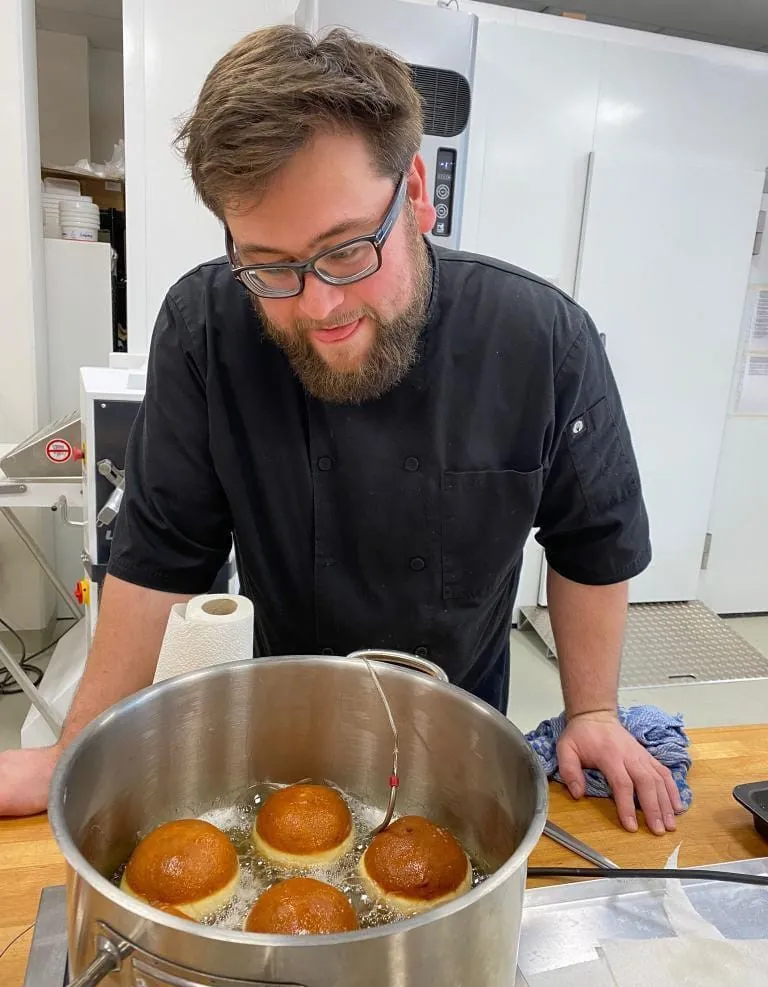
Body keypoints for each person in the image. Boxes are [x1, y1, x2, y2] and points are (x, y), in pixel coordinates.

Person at [0, 25, 682, 833]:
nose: (317, 306)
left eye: (348, 249)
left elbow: (593, 542)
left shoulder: (542, 338)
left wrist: (594, 710)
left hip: (461, 742)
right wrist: (73, 755)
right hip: (278, 737)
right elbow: (158, 562)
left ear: (416, 193)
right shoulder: (205, 328)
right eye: (269, 266)